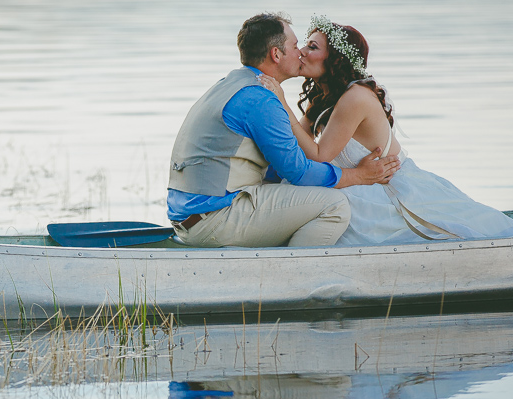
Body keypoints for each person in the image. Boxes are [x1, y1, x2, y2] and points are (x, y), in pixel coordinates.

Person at [258, 15, 513, 245]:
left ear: (335, 58)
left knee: (478, 235)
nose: (300, 53)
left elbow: (320, 155)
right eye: (302, 46)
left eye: (311, 47)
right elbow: (299, 142)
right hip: (362, 186)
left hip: (394, 192)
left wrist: (280, 100)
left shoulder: (355, 98)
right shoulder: (325, 97)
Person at [166, 12, 400, 249]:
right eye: (296, 45)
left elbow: (279, 168)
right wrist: (359, 176)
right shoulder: (261, 100)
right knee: (335, 205)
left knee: (290, 188)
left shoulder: (231, 84)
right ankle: (291, 277)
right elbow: (301, 172)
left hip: (190, 219)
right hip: (214, 219)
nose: (301, 52)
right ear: (276, 54)